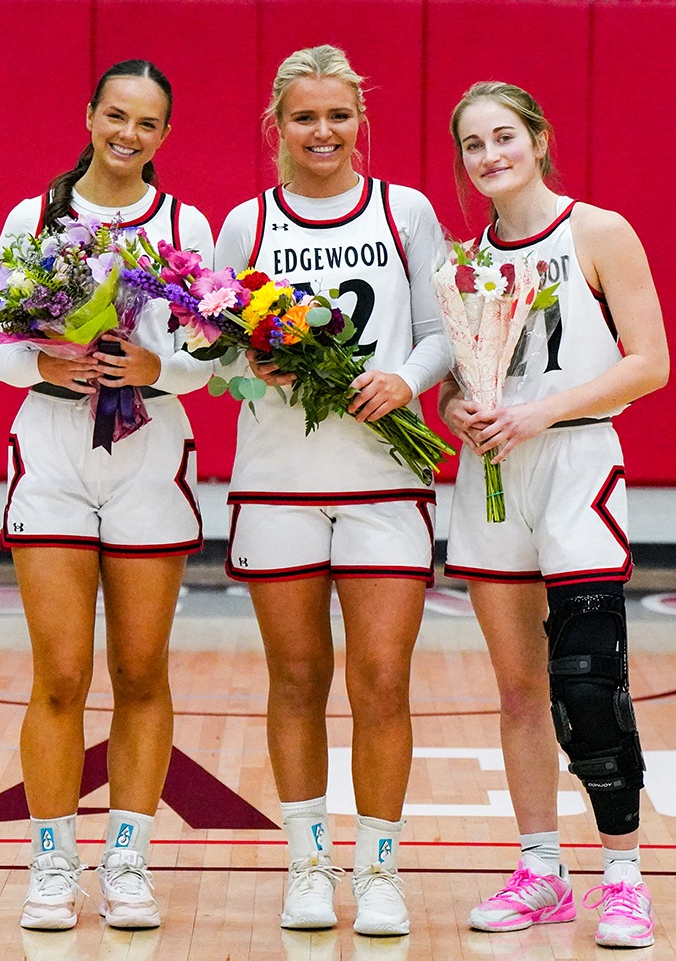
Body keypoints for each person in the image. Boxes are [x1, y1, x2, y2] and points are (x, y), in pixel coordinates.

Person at [211, 44, 453, 937]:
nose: (323, 131)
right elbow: (216, 359)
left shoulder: (405, 210)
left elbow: (441, 330)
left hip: (385, 481)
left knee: (383, 678)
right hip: (278, 483)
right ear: (277, 126)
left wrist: (405, 379)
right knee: (298, 676)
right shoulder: (247, 223)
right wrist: (256, 367)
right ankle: (307, 864)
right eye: (305, 116)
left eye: (339, 115)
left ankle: (379, 869)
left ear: (361, 121)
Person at [437, 82, 668, 948]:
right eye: (472, 144)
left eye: (504, 136)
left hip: (575, 463)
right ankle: (541, 871)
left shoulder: (598, 232)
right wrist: (460, 411)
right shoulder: (464, 261)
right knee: (517, 689)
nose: (489, 155)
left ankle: (624, 875)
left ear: (538, 139)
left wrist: (543, 411)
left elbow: (650, 362)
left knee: (589, 682)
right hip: (495, 472)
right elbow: (457, 383)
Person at [0, 59, 215, 932]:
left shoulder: (185, 224)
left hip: (148, 452)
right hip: (53, 451)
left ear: (164, 136)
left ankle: (127, 858)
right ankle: (52, 861)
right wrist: (47, 364)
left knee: (141, 670)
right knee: (61, 674)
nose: (128, 134)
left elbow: (208, 357)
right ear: (89, 115)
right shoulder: (35, 216)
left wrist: (158, 364)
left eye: (146, 123)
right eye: (116, 115)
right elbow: (1, 348)